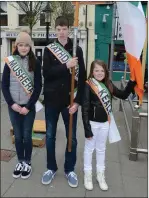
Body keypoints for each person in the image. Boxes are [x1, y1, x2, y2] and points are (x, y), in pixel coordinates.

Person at [41, 16, 86, 187]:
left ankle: (70, 169)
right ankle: (51, 168)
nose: (61, 32)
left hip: (70, 100)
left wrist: (78, 102)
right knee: (50, 136)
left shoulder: (77, 50)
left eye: (64, 29)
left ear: (69, 29)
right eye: (58, 29)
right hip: (52, 100)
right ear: (55, 30)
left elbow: (82, 77)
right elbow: (47, 73)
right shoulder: (49, 49)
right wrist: (66, 65)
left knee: (71, 138)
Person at [81, 60, 136, 191]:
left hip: (106, 123)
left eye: (102, 70)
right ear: (92, 72)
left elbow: (123, 95)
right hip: (92, 123)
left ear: (105, 72)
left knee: (101, 149)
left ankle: (101, 176)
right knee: (89, 149)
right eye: (96, 70)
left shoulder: (109, 84)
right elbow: (85, 108)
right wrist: (87, 129)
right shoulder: (88, 85)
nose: (99, 73)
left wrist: (132, 82)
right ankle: (87, 175)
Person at [2, 30, 42, 179]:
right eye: (21, 45)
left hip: (28, 107)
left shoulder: (35, 62)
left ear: (30, 46)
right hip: (13, 107)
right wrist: (11, 104)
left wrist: (28, 106)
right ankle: (20, 161)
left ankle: (28, 162)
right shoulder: (10, 62)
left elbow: (38, 87)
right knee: (18, 136)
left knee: (27, 135)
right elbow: (4, 85)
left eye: (26, 45)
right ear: (16, 45)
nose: (24, 48)